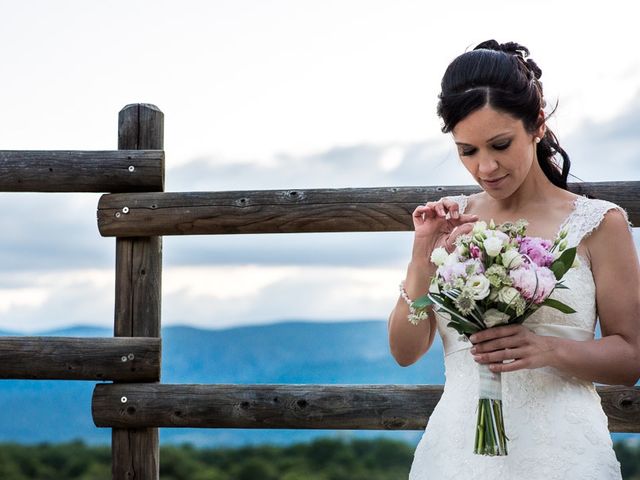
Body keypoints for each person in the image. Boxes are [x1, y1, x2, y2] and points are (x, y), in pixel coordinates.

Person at [387, 39, 640, 479]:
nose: (486, 167)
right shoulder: (453, 221)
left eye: (500, 145)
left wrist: (548, 349)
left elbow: (630, 359)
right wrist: (422, 256)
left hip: (565, 455)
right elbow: (405, 352)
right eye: (468, 151)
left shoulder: (599, 224)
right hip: (456, 454)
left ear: (537, 125)